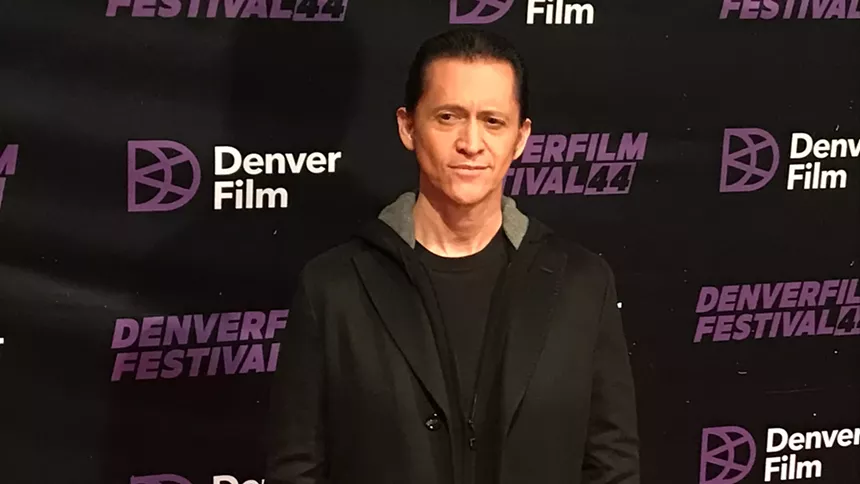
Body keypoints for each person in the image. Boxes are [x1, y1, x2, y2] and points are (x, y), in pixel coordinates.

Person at [265, 27, 640, 484]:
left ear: (521, 138)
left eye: (493, 121)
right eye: (448, 117)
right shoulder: (332, 287)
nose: (471, 143)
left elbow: (612, 465)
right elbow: (298, 469)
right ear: (408, 126)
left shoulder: (583, 283)